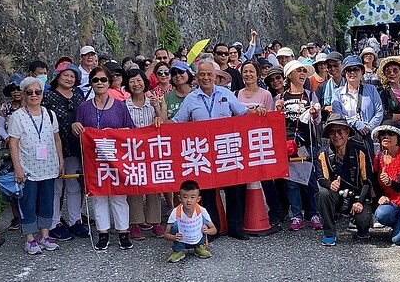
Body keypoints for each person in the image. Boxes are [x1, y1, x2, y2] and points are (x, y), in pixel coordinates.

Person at [171, 60, 266, 240]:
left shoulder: (226, 94)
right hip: (203, 153)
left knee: (234, 190)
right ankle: (212, 229)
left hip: (226, 150)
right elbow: (177, 123)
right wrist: (159, 124)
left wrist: (258, 112)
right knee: (207, 192)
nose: (206, 78)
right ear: (197, 77)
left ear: (215, 76)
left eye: (209, 74)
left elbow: (242, 113)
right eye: (202, 75)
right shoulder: (191, 98)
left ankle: (236, 228)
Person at [72, 67, 136, 250]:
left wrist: (116, 133)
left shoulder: (120, 106)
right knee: (98, 196)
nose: (99, 83)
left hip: (116, 158)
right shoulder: (84, 107)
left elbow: (130, 130)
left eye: (103, 80)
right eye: (95, 80)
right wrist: (75, 126)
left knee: (119, 195)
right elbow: (80, 131)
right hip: (94, 159)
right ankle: (103, 233)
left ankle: (123, 232)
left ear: (109, 82)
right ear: (91, 83)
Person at [8, 77, 65, 254]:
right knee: (28, 202)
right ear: (24, 94)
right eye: (29, 92)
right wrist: (17, 167)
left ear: (42, 94)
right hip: (28, 168)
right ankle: (29, 238)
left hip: (48, 166)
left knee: (47, 202)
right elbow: (13, 144)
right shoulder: (17, 116)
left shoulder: (49, 114)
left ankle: (45, 235)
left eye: (37, 92)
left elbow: (56, 139)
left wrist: (60, 161)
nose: (34, 95)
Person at [42, 61, 88, 240]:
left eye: (72, 76)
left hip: (75, 145)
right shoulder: (48, 96)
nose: (69, 78)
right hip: (54, 145)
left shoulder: (78, 95)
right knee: (56, 186)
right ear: (58, 76)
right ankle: (54, 223)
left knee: (74, 184)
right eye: (65, 75)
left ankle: (76, 220)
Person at [274, 60, 323, 231]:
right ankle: (296, 215)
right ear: (289, 75)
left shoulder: (310, 94)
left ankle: (314, 213)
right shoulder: (281, 97)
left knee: (311, 180)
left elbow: (318, 121)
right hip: (287, 144)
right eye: (298, 71)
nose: (302, 73)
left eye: (304, 71)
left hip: (307, 143)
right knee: (291, 182)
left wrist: (315, 114)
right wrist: (277, 110)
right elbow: (275, 123)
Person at [315, 114, 373, 245]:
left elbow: (367, 180)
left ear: (347, 133)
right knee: (323, 193)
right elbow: (320, 179)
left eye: (340, 131)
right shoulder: (323, 153)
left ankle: (362, 226)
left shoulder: (360, 150)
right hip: (337, 195)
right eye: (332, 132)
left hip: (357, 195)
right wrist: (330, 184)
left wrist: (360, 201)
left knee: (363, 219)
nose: (336, 136)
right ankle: (329, 233)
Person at [236, 61, 281, 226]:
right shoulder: (236, 94)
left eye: (251, 71)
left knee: (266, 178)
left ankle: (275, 212)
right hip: (242, 143)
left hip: (260, 142)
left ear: (257, 74)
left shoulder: (266, 95)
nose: (248, 75)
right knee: (242, 179)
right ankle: (242, 213)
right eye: (245, 71)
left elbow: (270, 119)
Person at [123, 68, 165, 240]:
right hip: (132, 151)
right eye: (132, 81)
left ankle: (155, 222)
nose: (136, 84)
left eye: (139, 80)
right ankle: (135, 223)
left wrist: (157, 109)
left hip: (151, 150)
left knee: (153, 187)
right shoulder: (123, 105)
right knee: (134, 186)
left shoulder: (153, 102)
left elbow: (164, 123)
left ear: (145, 82)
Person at [332, 55, 383, 161]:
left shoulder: (371, 89)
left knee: (369, 166)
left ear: (362, 72)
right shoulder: (337, 93)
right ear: (344, 73)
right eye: (349, 70)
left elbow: (379, 111)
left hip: (368, 136)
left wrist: (369, 127)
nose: (352, 73)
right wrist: (356, 123)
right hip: (347, 137)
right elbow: (338, 115)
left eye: (356, 69)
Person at [0, 73, 24, 230]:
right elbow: (0, 126)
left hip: (26, 149)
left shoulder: (29, 106)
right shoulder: (5, 107)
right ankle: (15, 217)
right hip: (9, 149)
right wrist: (8, 138)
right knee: (10, 181)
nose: (16, 92)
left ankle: (28, 215)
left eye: (19, 88)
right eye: (13, 89)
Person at [164, 180, 217, 262]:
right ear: (180, 198)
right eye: (185, 197)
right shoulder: (176, 212)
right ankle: (179, 250)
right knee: (175, 224)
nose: (188, 200)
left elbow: (214, 230)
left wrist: (207, 231)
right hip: (182, 240)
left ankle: (199, 247)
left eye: (192, 197)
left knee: (203, 220)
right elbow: (166, 234)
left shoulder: (201, 210)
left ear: (198, 199)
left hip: (197, 239)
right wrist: (174, 237)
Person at [377, 56, 400, 127]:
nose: (392, 73)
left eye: (395, 70)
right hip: (393, 129)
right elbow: (384, 114)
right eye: (388, 71)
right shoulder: (383, 91)